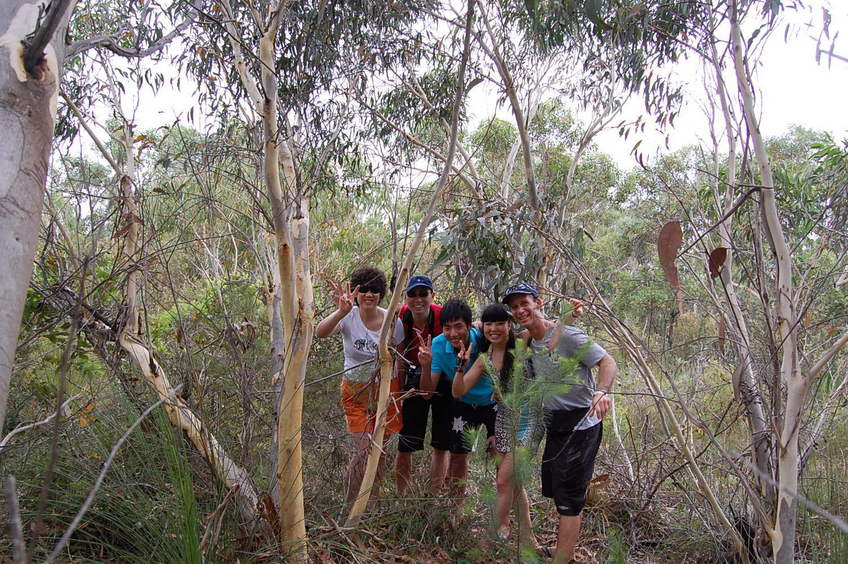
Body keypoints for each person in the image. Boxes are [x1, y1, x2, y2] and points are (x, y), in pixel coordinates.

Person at [503, 283, 617, 564]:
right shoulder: (530, 338)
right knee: (556, 489)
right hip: (553, 421)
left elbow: (607, 361)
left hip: (582, 421)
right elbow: (506, 335)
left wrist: (602, 391)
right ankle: (560, 550)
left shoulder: (568, 336)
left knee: (569, 495)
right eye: (514, 307)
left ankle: (562, 559)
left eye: (524, 304)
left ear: (538, 303)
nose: (520, 310)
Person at [452, 303, 540, 550]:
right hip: (503, 420)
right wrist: (461, 364)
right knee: (514, 483)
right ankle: (527, 536)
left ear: (509, 325)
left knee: (503, 481)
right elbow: (458, 391)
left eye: (499, 323)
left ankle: (493, 536)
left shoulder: (522, 343)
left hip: (528, 420)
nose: (494, 329)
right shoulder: (484, 358)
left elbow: (545, 328)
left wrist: (568, 316)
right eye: (488, 324)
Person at [314, 266, 404, 502]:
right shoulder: (349, 316)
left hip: (385, 390)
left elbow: (400, 356)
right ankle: (351, 502)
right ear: (356, 292)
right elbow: (320, 332)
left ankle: (371, 503)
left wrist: (398, 392)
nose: (369, 294)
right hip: (355, 390)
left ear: (382, 293)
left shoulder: (391, 319)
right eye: (363, 289)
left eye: (375, 290)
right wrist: (340, 312)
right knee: (364, 451)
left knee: (380, 453)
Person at [418, 299, 491, 498]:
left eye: (459, 327)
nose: (453, 333)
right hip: (464, 403)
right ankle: (454, 510)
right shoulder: (438, 345)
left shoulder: (485, 339)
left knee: (500, 455)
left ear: (469, 325)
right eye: (447, 328)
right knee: (458, 456)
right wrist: (425, 365)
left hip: (493, 404)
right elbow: (426, 393)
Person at [394, 275, 447, 495]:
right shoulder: (401, 316)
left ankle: (433, 496)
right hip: (414, 379)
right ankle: (401, 496)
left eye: (423, 294)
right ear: (405, 297)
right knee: (406, 443)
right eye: (412, 294)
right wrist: (400, 388)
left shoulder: (442, 315)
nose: (418, 299)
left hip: (443, 377)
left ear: (432, 296)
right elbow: (398, 352)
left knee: (441, 443)